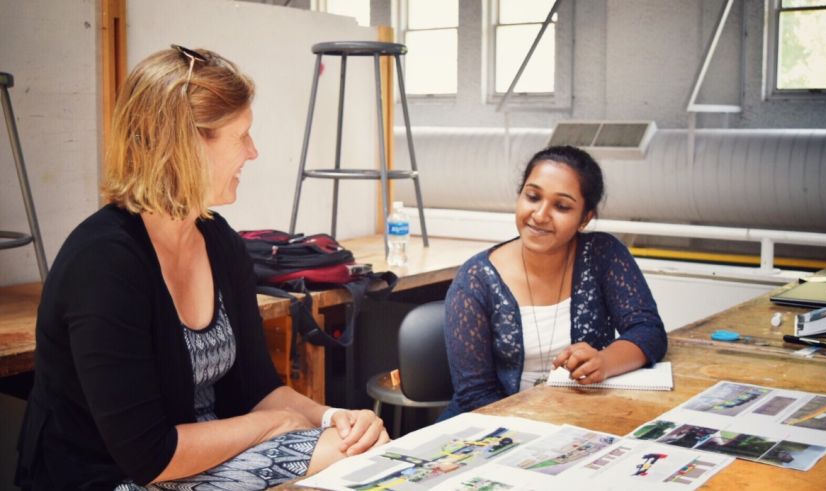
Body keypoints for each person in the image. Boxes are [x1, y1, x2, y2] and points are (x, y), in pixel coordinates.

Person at [15, 45, 388, 490]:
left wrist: (334, 418)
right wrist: (271, 426)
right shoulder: (103, 263)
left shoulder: (218, 240)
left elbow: (258, 389)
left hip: (209, 458)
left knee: (361, 449)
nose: (253, 152)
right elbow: (149, 456)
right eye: (242, 135)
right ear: (186, 146)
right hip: (117, 477)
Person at [442, 145, 667, 418]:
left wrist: (605, 361)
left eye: (561, 206)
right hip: (497, 429)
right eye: (533, 197)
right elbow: (475, 396)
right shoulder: (476, 280)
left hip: (579, 419)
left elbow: (647, 330)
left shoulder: (603, 254)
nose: (540, 215)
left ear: (584, 218)